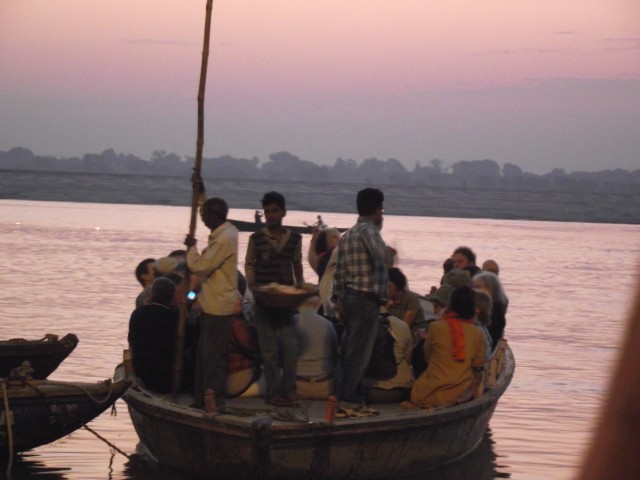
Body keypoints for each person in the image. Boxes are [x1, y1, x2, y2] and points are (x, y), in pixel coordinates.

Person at [333, 187, 396, 404]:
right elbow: (384, 257)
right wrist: (391, 253)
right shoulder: (369, 231)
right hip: (365, 300)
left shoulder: (348, 235)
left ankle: (341, 391)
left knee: (349, 349)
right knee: (359, 353)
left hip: (350, 298)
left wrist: (337, 301)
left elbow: (339, 273)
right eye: (381, 211)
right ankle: (349, 396)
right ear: (378, 210)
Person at [245, 191, 304, 407]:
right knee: (268, 350)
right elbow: (249, 264)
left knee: (289, 347)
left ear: (283, 213)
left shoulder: (295, 239)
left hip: (286, 300)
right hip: (264, 299)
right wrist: (253, 287)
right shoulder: (256, 239)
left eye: (275, 211)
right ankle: (273, 392)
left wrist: (300, 287)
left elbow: (297, 263)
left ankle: (290, 392)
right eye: (267, 211)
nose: (270, 215)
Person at [184, 197, 239, 410]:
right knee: (204, 355)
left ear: (215, 216)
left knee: (213, 357)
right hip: (212, 304)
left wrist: (192, 248)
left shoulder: (224, 239)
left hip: (218, 306)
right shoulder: (226, 233)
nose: (204, 220)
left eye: (205, 216)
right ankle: (201, 399)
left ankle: (213, 401)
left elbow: (201, 267)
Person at [410, 285, 486, 409]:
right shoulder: (477, 333)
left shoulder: (435, 327)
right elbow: (478, 369)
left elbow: (426, 358)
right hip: (459, 396)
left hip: (428, 394)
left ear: (451, 305)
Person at [128, 277, 179, 393]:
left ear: (152, 294)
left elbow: (132, 341)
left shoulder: (137, 314)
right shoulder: (174, 317)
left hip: (142, 372)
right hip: (167, 376)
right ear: (172, 296)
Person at [363, 311, 415, 403]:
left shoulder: (361, 325)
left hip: (367, 388)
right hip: (398, 388)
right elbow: (408, 357)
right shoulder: (402, 326)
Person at [293, 296, 338, 399]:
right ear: (318, 304)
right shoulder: (328, 325)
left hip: (296, 386)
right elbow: (335, 356)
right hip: (324, 388)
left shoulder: (291, 322)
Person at [472, 271, 508, 352]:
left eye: (477, 287)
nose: (473, 291)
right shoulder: (495, 309)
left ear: (489, 289)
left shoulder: (494, 312)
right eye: (473, 287)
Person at [387, 267, 428, 336]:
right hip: (394, 333)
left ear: (396, 286)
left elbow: (404, 327)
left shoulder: (411, 299)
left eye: (388, 286)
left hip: (413, 335)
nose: (385, 289)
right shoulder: (388, 299)